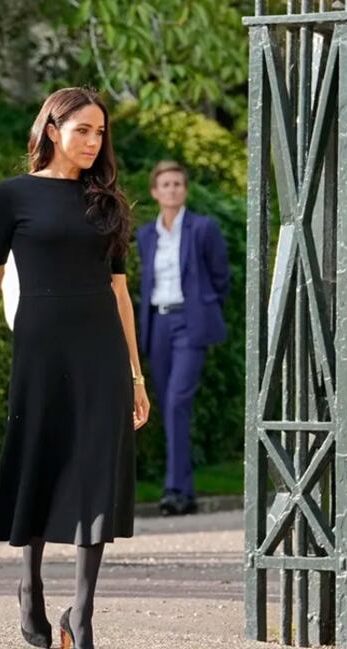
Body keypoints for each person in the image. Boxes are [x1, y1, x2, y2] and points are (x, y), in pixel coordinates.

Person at [0, 87, 150, 649]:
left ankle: (84, 616)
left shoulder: (108, 202)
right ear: (52, 129)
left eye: (100, 133)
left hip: (100, 345)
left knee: (97, 469)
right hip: (41, 346)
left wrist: (136, 375)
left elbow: (120, 291)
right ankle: (30, 583)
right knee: (38, 457)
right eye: (83, 130)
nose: (93, 142)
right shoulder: (13, 195)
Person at [135, 160, 229, 516]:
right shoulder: (146, 235)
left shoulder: (203, 229)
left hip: (190, 324)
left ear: (184, 190)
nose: (172, 189)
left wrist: (204, 311)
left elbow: (221, 279)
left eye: (177, 184)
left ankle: (178, 491)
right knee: (169, 406)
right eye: (166, 184)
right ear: (155, 192)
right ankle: (178, 487)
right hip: (157, 325)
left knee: (176, 402)